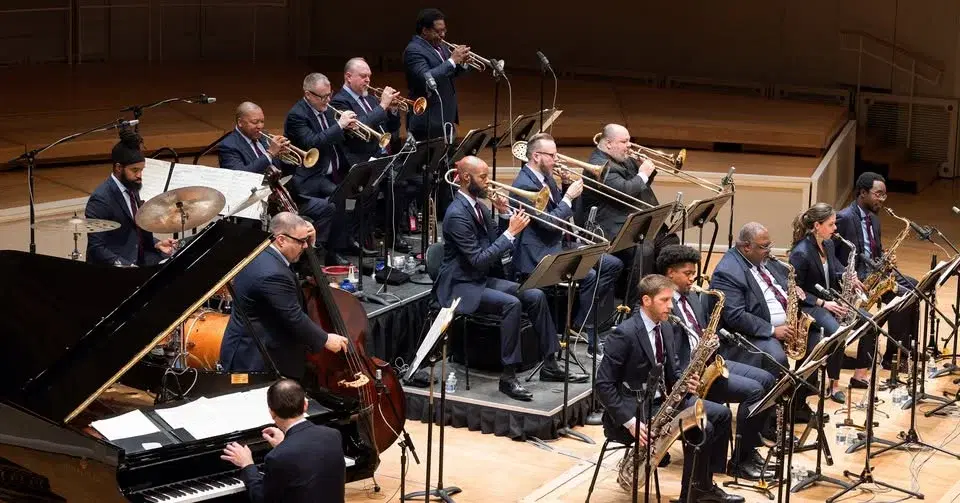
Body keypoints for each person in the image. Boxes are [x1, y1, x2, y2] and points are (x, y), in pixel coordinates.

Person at [432, 155, 587, 401]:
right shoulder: (456, 214)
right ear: (465, 178)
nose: (488, 183)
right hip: (461, 285)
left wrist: (504, 216)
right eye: (483, 178)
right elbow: (479, 259)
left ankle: (550, 364)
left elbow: (494, 243)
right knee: (511, 304)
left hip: (480, 279)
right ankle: (508, 376)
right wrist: (511, 232)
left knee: (535, 294)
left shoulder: (479, 207)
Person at [595, 274, 741, 503]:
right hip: (635, 409)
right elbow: (603, 384)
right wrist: (630, 422)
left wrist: (688, 382)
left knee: (721, 415)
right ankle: (691, 496)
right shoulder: (624, 334)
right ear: (646, 300)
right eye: (665, 300)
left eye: (671, 300)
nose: (671, 306)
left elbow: (672, 373)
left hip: (665, 401)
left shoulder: (666, 328)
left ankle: (702, 485)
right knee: (702, 429)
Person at [657, 244, 775, 480]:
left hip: (709, 363)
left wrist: (708, 339)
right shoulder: (665, 306)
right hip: (690, 375)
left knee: (768, 379)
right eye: (687, 274)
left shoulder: (693, 298)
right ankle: (739, 461)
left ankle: (749, 449)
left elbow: (700, 330)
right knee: (754, 391)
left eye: (694, 273)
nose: (693, 279)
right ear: (670, 273)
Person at [511, 133, 624, 357]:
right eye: (552, 155)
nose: (557, 159)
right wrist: (568, 197)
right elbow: (550, 225)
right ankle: (590, 335)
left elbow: (562, 214)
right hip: (540, 253)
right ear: (536, 156)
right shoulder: (525, 184)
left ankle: (579, 322)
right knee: (590, 275)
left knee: (612, 263)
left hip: (559, 245)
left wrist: (564, 187)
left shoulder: (546, 176)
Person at [710, 222, 823, 421]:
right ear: (746, 247)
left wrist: (792, 290)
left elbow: (779, 282)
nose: (769, 251)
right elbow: (735, 316)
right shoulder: (728, 272)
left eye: (769, 245)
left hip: (785, 323)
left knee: (817, 339)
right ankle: (769, 420)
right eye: (764, 246)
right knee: (776, 358)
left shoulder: (764, 259)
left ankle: (796, 404)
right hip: (748, 334)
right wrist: (772, 330)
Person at [219, 212, 349, 381]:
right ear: (281, 240)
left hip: (255, 348)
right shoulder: (272, 274)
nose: (304, 246)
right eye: (301, 241)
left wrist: (311, 244)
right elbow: (293, 316)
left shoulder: (263, 252)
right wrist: (325, 339)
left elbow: (302, 269)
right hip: (255, 358)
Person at [219, 102, 338, 260]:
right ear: (240, 122)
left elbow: (282, 170)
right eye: (255, 122)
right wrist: (270, 154)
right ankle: (301, 261)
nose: (260, 126)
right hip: (258, 205)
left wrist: (292, 160)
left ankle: (313, 256)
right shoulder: (228, 146)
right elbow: (241, 176)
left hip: (282, 196)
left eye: (262, 121)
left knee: (327, 208)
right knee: (301, 222)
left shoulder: (263, 139)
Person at [583, 124, 679, 302]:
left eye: (629, 140)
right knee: (644, 248)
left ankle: (664, 294)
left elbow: (639, 187)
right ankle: (637, 303)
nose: (630, 145)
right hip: (609, 227)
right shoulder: (598, 165)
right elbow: (624, 190)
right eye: (624, 141)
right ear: (609, 143)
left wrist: (645, 171)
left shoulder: (621, 158)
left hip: (626, 218)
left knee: (669, 240)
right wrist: (642, 174)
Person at [834, 171, 919, 372]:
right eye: (878, 194)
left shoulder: (874, 219)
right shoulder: (845, 218)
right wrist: (848, 275)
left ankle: (902, 350)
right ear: (863, 193)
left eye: (884, 195)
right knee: (903, 295)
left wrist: (886, 258)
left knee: (916, 286)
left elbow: (875, 250)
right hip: (857, 278)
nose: (882, 199)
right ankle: (894, 355)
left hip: (874, 272)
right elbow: (833, 255)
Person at [329, 58, 413, 254]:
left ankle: (393, 234)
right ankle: (361, 238)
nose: (368, 80)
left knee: (400, 182)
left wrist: (392, 111)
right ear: (348, 77)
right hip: (358, 158)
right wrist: (383, 106)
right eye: (363, 76)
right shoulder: (340, 101)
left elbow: (390, 130)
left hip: (379, 156)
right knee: (370, 189)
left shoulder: (370, 98)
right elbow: (361, 128)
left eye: (369, 76)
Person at [221, 379, 346, 503]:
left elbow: (261, 499)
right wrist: (284, 444)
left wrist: (247, 465)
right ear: (305, 405)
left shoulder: (277, 457)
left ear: (272, 413)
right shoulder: (333, 435)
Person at [789, 203, 865, 403]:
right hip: (809, 306)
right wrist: (823, 303)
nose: (835, 229)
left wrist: (850, 276)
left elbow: (836, 267)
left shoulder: (828, 244)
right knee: (838, 332)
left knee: (868, 321)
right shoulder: (801, 253)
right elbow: (794, 291)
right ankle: (834, 383)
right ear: (817, 225)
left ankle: (860, 374)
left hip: (830, 300)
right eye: (831, 224)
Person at [284, 72, 360, 264]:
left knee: (349, 194)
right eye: (322, 96)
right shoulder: (297, 115)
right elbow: (312, 142)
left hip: (325, 173)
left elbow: (334, 139)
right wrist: (339, 126)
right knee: (337, 200)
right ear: (308, 94)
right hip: (306, 179)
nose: (327, 100)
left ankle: (338, 246)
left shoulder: (326, 109)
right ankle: (326, 252)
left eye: (329, 95)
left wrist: (347, 129)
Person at [85, 128, 176, 266]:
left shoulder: (132, 186)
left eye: (141, 170)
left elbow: (135, 232)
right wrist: (127, 266)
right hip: (116, 265)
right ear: (118, 168)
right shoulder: (101, 200)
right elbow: (97, 248)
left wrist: (157, 243)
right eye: (135, 170)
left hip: (139, 256)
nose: (140, 175)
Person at [402, 7, 470, 141]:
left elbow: (449, 73)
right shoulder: (413, 50)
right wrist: (452, 61)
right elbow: (426, 78)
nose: (443, 35)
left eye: (444, 30)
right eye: (438, 31)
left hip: (445, 117)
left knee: (447, 160)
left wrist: (462, 63)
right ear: (425, 31)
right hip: (427, 120)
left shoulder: (441, 46)